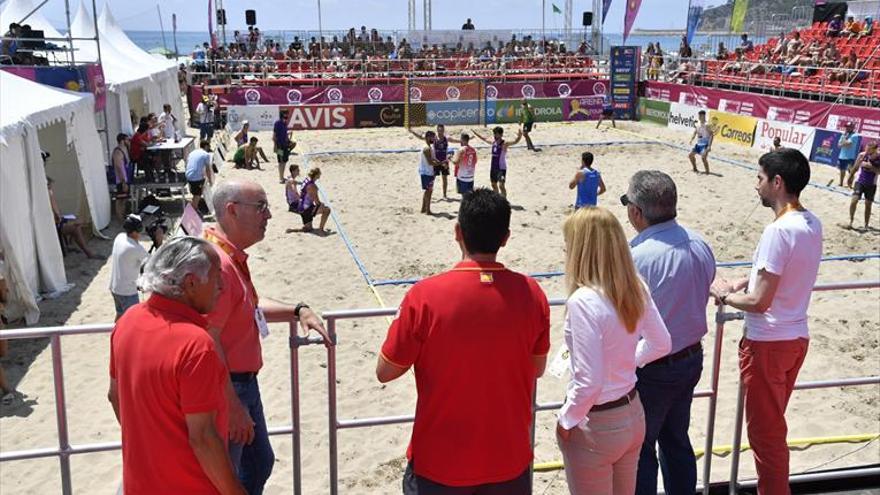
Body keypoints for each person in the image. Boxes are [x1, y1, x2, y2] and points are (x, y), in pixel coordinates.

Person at [377, 188, 550, 494]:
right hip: (508, 457)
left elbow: (386, 371)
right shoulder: (533, 294)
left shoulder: (425, 295)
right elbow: (537, 368)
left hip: (440, 461)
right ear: (506, 237)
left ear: (458, 232)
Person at [204, 180, 330, 494]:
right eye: (260, 206)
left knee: (258, 463)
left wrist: (297, 309)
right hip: (230, 386)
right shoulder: (217, 264)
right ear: (232, 210)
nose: (269, 215)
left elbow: (249, 307)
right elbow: (208, 336)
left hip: (241, 383)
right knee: (231, 476)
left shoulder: (226, 254)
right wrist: (232, 405)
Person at [709, 148, 822, 495]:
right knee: (771, 428)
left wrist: (724, 295)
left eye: (759, 178)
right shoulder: (811, 223)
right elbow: (783, 275)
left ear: (777, 182)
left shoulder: (778, 231)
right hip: (794, 338)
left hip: (769, 343)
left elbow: (759, 303)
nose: (755, 186)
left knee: (766, 435)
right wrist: (746, 280)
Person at [108, 236, 246, 494]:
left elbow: (115, 396)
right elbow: (203, 438)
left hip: (140, 482)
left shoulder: (128, 321)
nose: (222, 286)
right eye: (217, 276)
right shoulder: (195, 345)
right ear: (191, 283)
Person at [556, 207, 671, 494]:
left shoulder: (583, 301)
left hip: (597, 422)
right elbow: (661, 343)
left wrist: (567, 418)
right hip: (632, 412)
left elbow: (589, 381)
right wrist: (625, 362)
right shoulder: (634, 286)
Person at [621, 171, 716, 495]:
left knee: (641, 451)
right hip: (691, 357)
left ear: (636, 211)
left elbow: (621, 319)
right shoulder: (699, 243)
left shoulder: (637, 258)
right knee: (676, 441)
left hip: (653, 366)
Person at [47, 177, 100, 259]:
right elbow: (56, 215)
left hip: (56, 223)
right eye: (50, 186)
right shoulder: (48, 196)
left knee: (77, 224)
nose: (51, 187)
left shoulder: (48, 197)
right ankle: (87, 251)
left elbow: (57, 214)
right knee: (76, 227)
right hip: (54, 226)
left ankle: (77, 246)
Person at [109, 215, 149, 321]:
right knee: (133, 321)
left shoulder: (120, 237)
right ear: (136, 231)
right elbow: (152, 263)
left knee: (120, 314)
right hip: (127, 292)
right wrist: (159, 241)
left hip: (115, 288)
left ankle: (114, 334)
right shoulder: (136, 249)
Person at [409, 125, 460, 199]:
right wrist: (412, 131)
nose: (440, 132)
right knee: (432, 178)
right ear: (437, 130)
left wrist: (465, 140)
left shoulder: (446, 138)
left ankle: (444, 195)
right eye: (439, 130)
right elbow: (421, 137)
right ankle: (430, 194)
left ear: (443, 130)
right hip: (435, 161)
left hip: (444, 161)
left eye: (442, 130)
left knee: (445, 179)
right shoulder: (434, 138)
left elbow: (456, 140)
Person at [472, 126, 522, 199]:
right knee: (493, 184)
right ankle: (497, 199)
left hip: (501, 168)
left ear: (501, 134)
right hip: (493, 167)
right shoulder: (493, 143)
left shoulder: (504, 143)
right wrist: (476, 134)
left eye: (496, 134)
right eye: (494, 133)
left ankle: (504, 200)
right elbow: (484, 139)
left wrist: (519, 136)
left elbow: (515, 141)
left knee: (501, 185)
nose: (495, 135)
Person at [416, 130, 450, 215]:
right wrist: (442, 163)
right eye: (432, 137)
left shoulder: (429, 147)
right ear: (428, 137)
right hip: (426, 172)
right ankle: (428, 211)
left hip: (427, 171)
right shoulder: (427, 148)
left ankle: (423, 209)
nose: (434, 139)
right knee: (429, 191)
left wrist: (442, 163)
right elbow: (430, 162)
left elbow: (434, 159)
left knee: (427, 190)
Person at [848, 142, 880, 230]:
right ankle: (851, 221)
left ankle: (866, 225)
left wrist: (871, 167)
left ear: (875, 149)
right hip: (860, 181)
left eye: (869, 149)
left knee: (868, 205)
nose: (867, 151)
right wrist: (850, 178)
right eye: (866, 148)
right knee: (854, 200)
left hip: (872, 184)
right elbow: (855, 167)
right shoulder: (862, 155)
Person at [297, 168, 332, 233]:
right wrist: (322, 205)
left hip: (301, 207)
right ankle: (321, 230)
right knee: (327, 210)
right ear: (316, 175)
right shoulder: (312, 186)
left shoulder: (306, 180)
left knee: (309, 229)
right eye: (319, 174)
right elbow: (317, 202)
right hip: (306, 209)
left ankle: (293, 230)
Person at [185, 140, 215, 214]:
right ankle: (192, 211)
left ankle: (195, 205)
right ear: (206, 146)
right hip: (195, 177)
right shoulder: (206, 154)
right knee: (197, 195)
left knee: (196, 192)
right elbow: (208, 169)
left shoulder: (193, 152)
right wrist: (211, 181)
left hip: (188, 175)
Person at [110, 133, 133, 222]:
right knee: (120, 200)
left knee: (124, 199)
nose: (128, 142)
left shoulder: (124, 150)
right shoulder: (118, 152)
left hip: (125, 179)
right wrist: (123, 182)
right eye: (127, 140)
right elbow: (119, 167)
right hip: (120, 180)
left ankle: (123, 217)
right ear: (122, 141)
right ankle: (120, 219)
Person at [273, 110, 297, 184]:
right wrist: (275, 146)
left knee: (285, 161)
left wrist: (289, 141)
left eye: (287, 114)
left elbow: (285, 134)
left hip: (285, 145)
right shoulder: (277, 123)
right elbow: (274, 136)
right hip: (279, 145)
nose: (287, 115)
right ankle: (280, 178)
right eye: (285, 114)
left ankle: (282, 177)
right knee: (281, 162)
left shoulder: (285, 123)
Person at [837, 122, 861, 187]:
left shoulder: (855, 135)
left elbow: (848, 144)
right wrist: (844, 141)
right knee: (842, 170)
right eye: (846, 127)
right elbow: (838, 145)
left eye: (848, 127)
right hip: (842, 155)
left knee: (851, 171)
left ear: (852, 128)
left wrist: (843, 141)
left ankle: (850, 185)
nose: (847, 128)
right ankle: (841, 183)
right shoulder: (843, 135)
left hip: (850, 156)